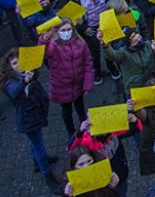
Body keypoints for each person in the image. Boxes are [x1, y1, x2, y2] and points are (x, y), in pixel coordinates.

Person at [0, 48, 62, 194]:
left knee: (34, 141)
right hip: (27, 119)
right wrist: (25, 80)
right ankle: (47, 174)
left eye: (19, 61)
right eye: (14, 63)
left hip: (34, 114)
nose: (18, 64)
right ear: (9, 67)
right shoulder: (9, 81)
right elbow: (14, 91)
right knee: (38, 144)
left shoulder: (25, 72)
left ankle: (37, 162)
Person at [38, 18, 94, 136]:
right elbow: (44, 52)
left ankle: (85, 131)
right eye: (63, 30)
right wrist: (44, 40)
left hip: (78, 85)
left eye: (69, 29)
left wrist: (87, 84)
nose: (66, 32)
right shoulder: (53, 45)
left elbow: (88, 63)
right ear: (57, 31)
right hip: (62, 87)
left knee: (81, 109)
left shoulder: (81, 43)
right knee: (67, 112)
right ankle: (71, 134)